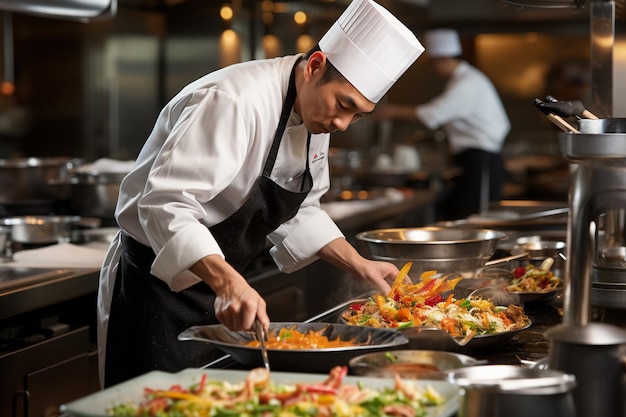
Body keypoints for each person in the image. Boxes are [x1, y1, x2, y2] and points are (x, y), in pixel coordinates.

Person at [97, 0, 424, 388]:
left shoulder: (313, 117)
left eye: (357, 115)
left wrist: (360, 264)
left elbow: (299, 209)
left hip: (223, 288)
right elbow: (167, 204)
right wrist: (229, 283)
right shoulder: (234, 99)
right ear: (315, 65)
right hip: (157, 288)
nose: (342, 124)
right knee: (153, 404)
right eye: (343, 105)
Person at [374, 28, 510, 220]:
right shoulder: (463, 79)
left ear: (444, 58)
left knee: (477, 220)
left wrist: (391, 111)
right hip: (474, 159)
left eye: (432, 63)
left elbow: (431, 115)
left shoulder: (468, 83)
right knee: (469, 217)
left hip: (480, 160)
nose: (433, 69)